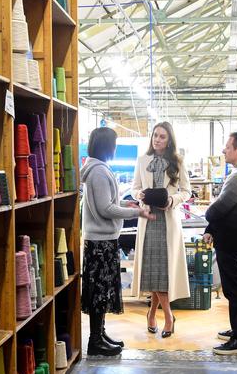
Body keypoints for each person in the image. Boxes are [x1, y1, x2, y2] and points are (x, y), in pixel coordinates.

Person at [81, 127, 154, 356]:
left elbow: (109, 203)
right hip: (100, 242)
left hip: (102, 240)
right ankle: (95, 340)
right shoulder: (99, 172)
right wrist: (136, 213)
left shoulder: (97, 168)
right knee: (99, 293)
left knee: (101, 291)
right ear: (106, 146)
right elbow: (105, 209)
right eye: (113, 143)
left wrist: (126, 204)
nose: (115, 147)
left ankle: (100, 334)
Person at [132, 121, 191, 338]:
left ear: (169, 140)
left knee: (162, 273)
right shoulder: (142, 160)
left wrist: (172, 200)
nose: (157, 139)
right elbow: (134, 188)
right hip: (149, 220)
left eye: (162, 136)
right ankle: (162, 316)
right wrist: (140, 196)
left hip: (167, 221)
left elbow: (186, 191)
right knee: (153, 271)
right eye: (155, 135)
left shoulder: (177, 162)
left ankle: (163, 316)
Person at [203, 131, 237, 354]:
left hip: (231, 242)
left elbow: (218, 208)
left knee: (234, 287)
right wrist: (210, 229)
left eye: (228, 146)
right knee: (232, 286)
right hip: (229, 239)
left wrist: (207, 216)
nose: (224, 150)